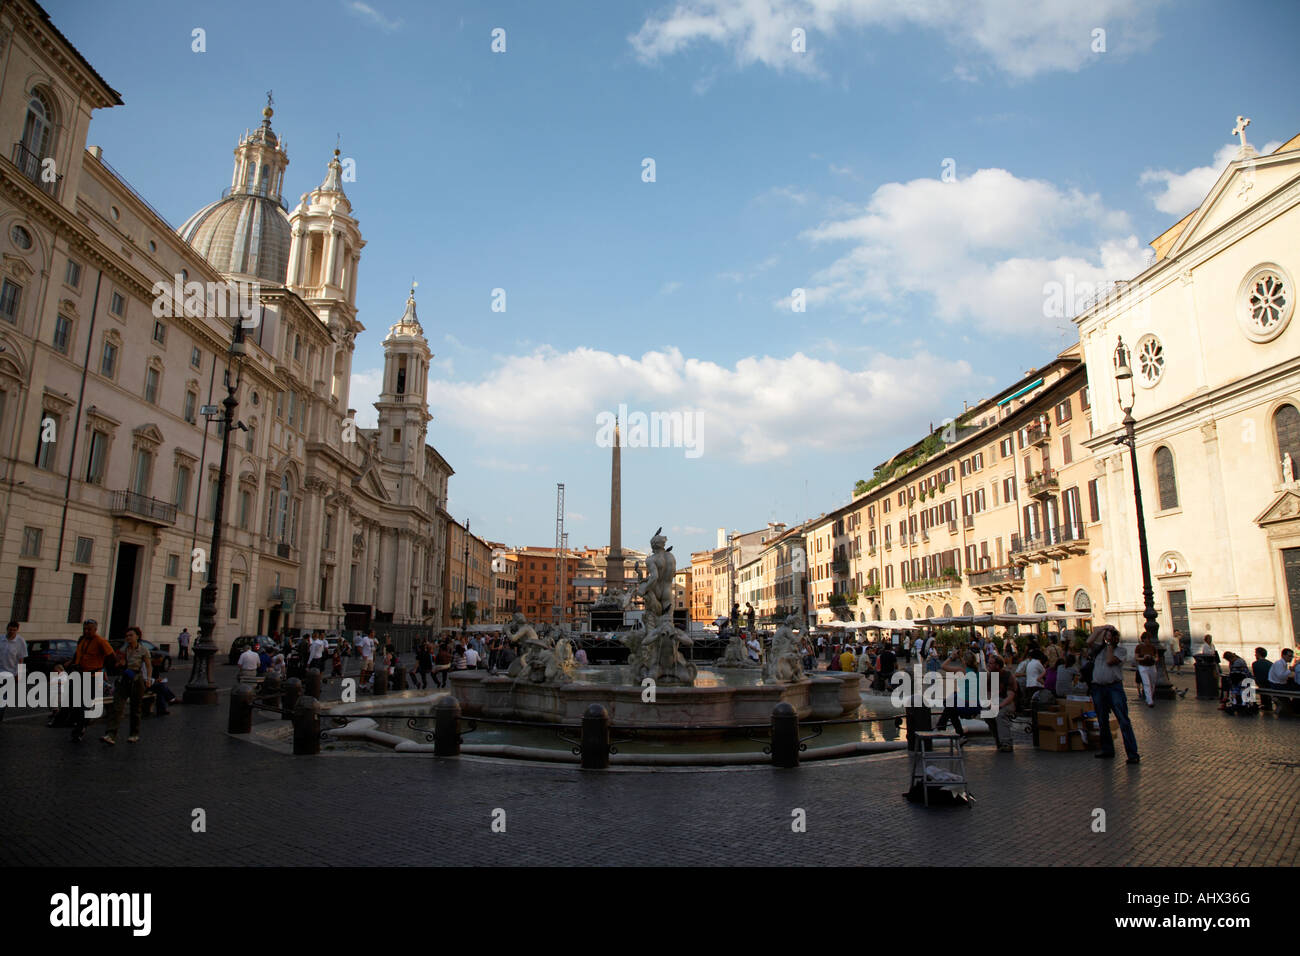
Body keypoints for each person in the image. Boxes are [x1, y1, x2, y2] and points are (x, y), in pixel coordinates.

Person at [1087, 625, 1139, 763]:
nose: (1110, 637)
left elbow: (1110, 660)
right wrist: (1102, 629)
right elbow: (1089, 642)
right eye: (1109, 635)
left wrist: (1109, 644)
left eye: (1113, 635)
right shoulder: (1099, 649)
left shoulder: (1121, 651)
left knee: (1123, 720)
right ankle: (1107, 749)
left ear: (1117, 639)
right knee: (1102, 720)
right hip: (1098, 687)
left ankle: (1132, 754)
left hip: (1114, 688)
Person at [60, 620, 116, 742]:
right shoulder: (83, 640)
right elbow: (78, 654)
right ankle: (78, 723)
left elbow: (112, 657)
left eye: (89, 629)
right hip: (78, 675)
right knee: (73, 702)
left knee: (83, 705)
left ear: (95, 629)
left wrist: (100, 667)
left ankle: (79, 729)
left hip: (92, 677)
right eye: (85, 629)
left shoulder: (101, 641)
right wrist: (71, 663)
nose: (86, 631)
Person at [102, 626, 151, 745]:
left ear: (137, 637)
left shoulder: (143, 650)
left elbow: (148, 665)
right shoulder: (122, 650)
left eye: (131, 635)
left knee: (135, 708)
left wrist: (148, 679)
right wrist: (120, 663)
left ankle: (134, 734)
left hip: (136, 678)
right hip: (123, 678)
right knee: (117, 706)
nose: (128, 638)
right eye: (127, 636)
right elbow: (115, 665)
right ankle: (111, 734)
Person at [0, 621, 26, 722]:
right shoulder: (1, 639)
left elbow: (21, 659)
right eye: (10, 629)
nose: (12, 631)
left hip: (10, 673)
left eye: (14, 630)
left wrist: (20, 674)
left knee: (3, 696)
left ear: (17, 630)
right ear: (7, 629)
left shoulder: (20, 641)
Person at [1134, 633, 1158, 707]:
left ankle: (1149, 697)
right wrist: (1143, 658)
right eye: (1146, 639)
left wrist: (1153, 658)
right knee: (1146, 683)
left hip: (1151, 666)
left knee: (1152, 682)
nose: (1147, 640)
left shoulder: (1153, 647)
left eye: (1148, 639)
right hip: (1143, 666)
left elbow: (1157, 657)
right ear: (1143, 639)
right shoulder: (1139, 647)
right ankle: (1150, 701)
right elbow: (1136, 657)